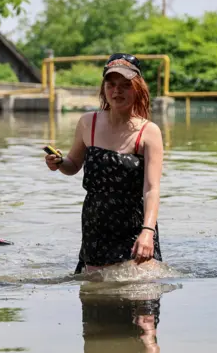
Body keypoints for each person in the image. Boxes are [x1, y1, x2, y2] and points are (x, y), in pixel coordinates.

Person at [45, 53, 164, 274]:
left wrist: (148, 231)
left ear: (137, 88)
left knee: (143, 299)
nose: (117, 91)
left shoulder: (149, 132)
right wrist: (59, 162)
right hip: (95, 227)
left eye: (125, 85)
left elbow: (151, 189)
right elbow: (73, 165)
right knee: (96, 300)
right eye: (111, 84)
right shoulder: (87, 123)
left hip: (135, 226)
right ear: (103, 88)